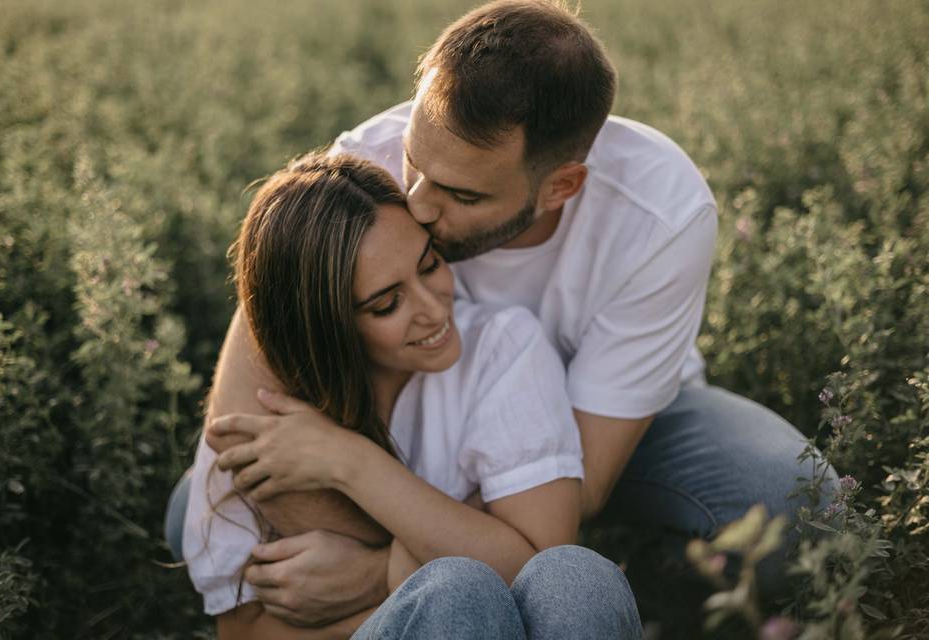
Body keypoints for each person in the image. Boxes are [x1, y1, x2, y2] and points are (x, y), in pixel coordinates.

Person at [173, 0, 838, 631]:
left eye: (461, 193)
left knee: (799, 505)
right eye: (415, 163)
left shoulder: (661, 215)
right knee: (196, 513)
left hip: (609, 423)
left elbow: (583, 489)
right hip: (423, 420)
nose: (420, 205)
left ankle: (671, 588)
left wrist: (387, 568)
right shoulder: (364, 167)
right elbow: (241, 422)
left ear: (560, 187)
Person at [183, 151, 642, 638]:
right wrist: (414, 599)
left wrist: (351, 465)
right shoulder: (266, 425)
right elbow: (244, 631)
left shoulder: (500, 348)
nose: (433, 308)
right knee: (454, 592)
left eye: (430, 265)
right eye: (387, 304)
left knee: (578, 578)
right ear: (328, 328)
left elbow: (537, 564)